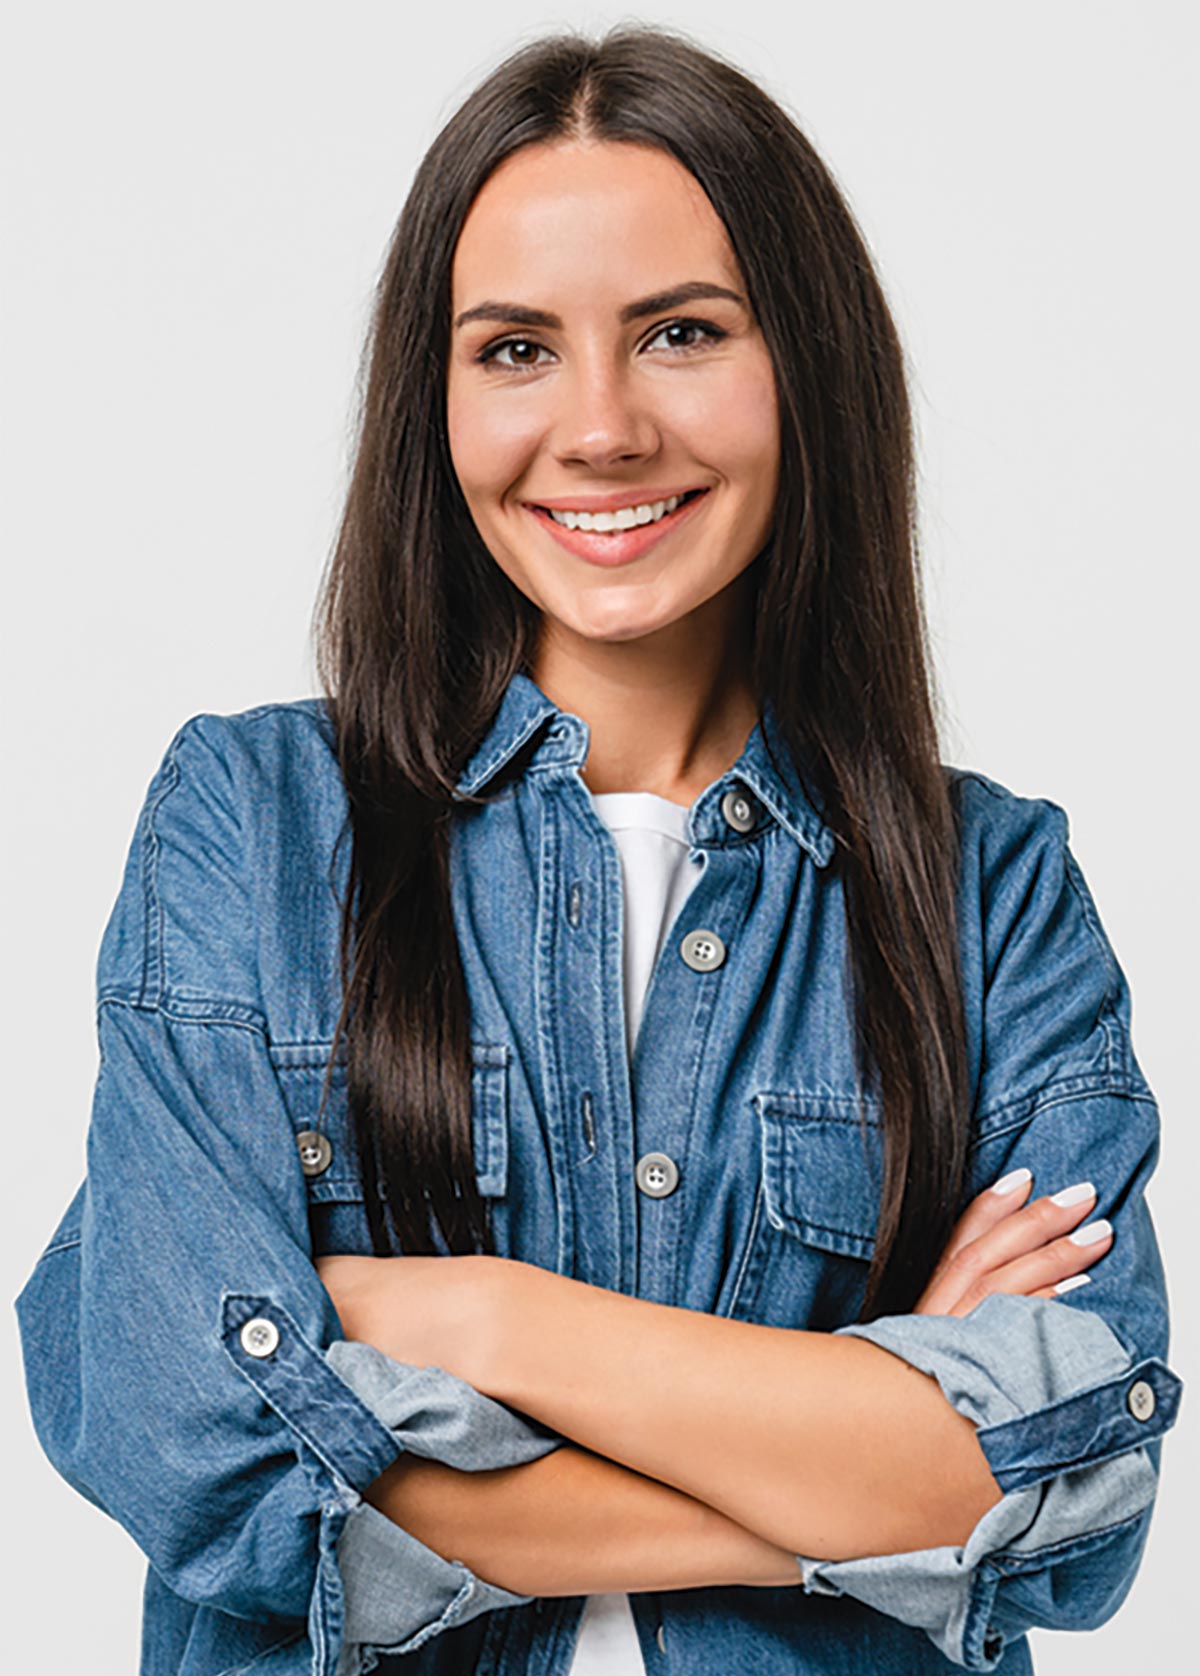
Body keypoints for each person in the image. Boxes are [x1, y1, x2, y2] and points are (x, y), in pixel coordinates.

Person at [15, 22, 1182, 1676]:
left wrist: (480, 1318)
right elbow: (208, 1454)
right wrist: (872, 1473)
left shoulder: (990, 890)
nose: (605, 427)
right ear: (436, 400)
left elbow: (1086, 1480)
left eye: (682, 333)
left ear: (808, 366)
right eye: (515, 351)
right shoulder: (253, 823)